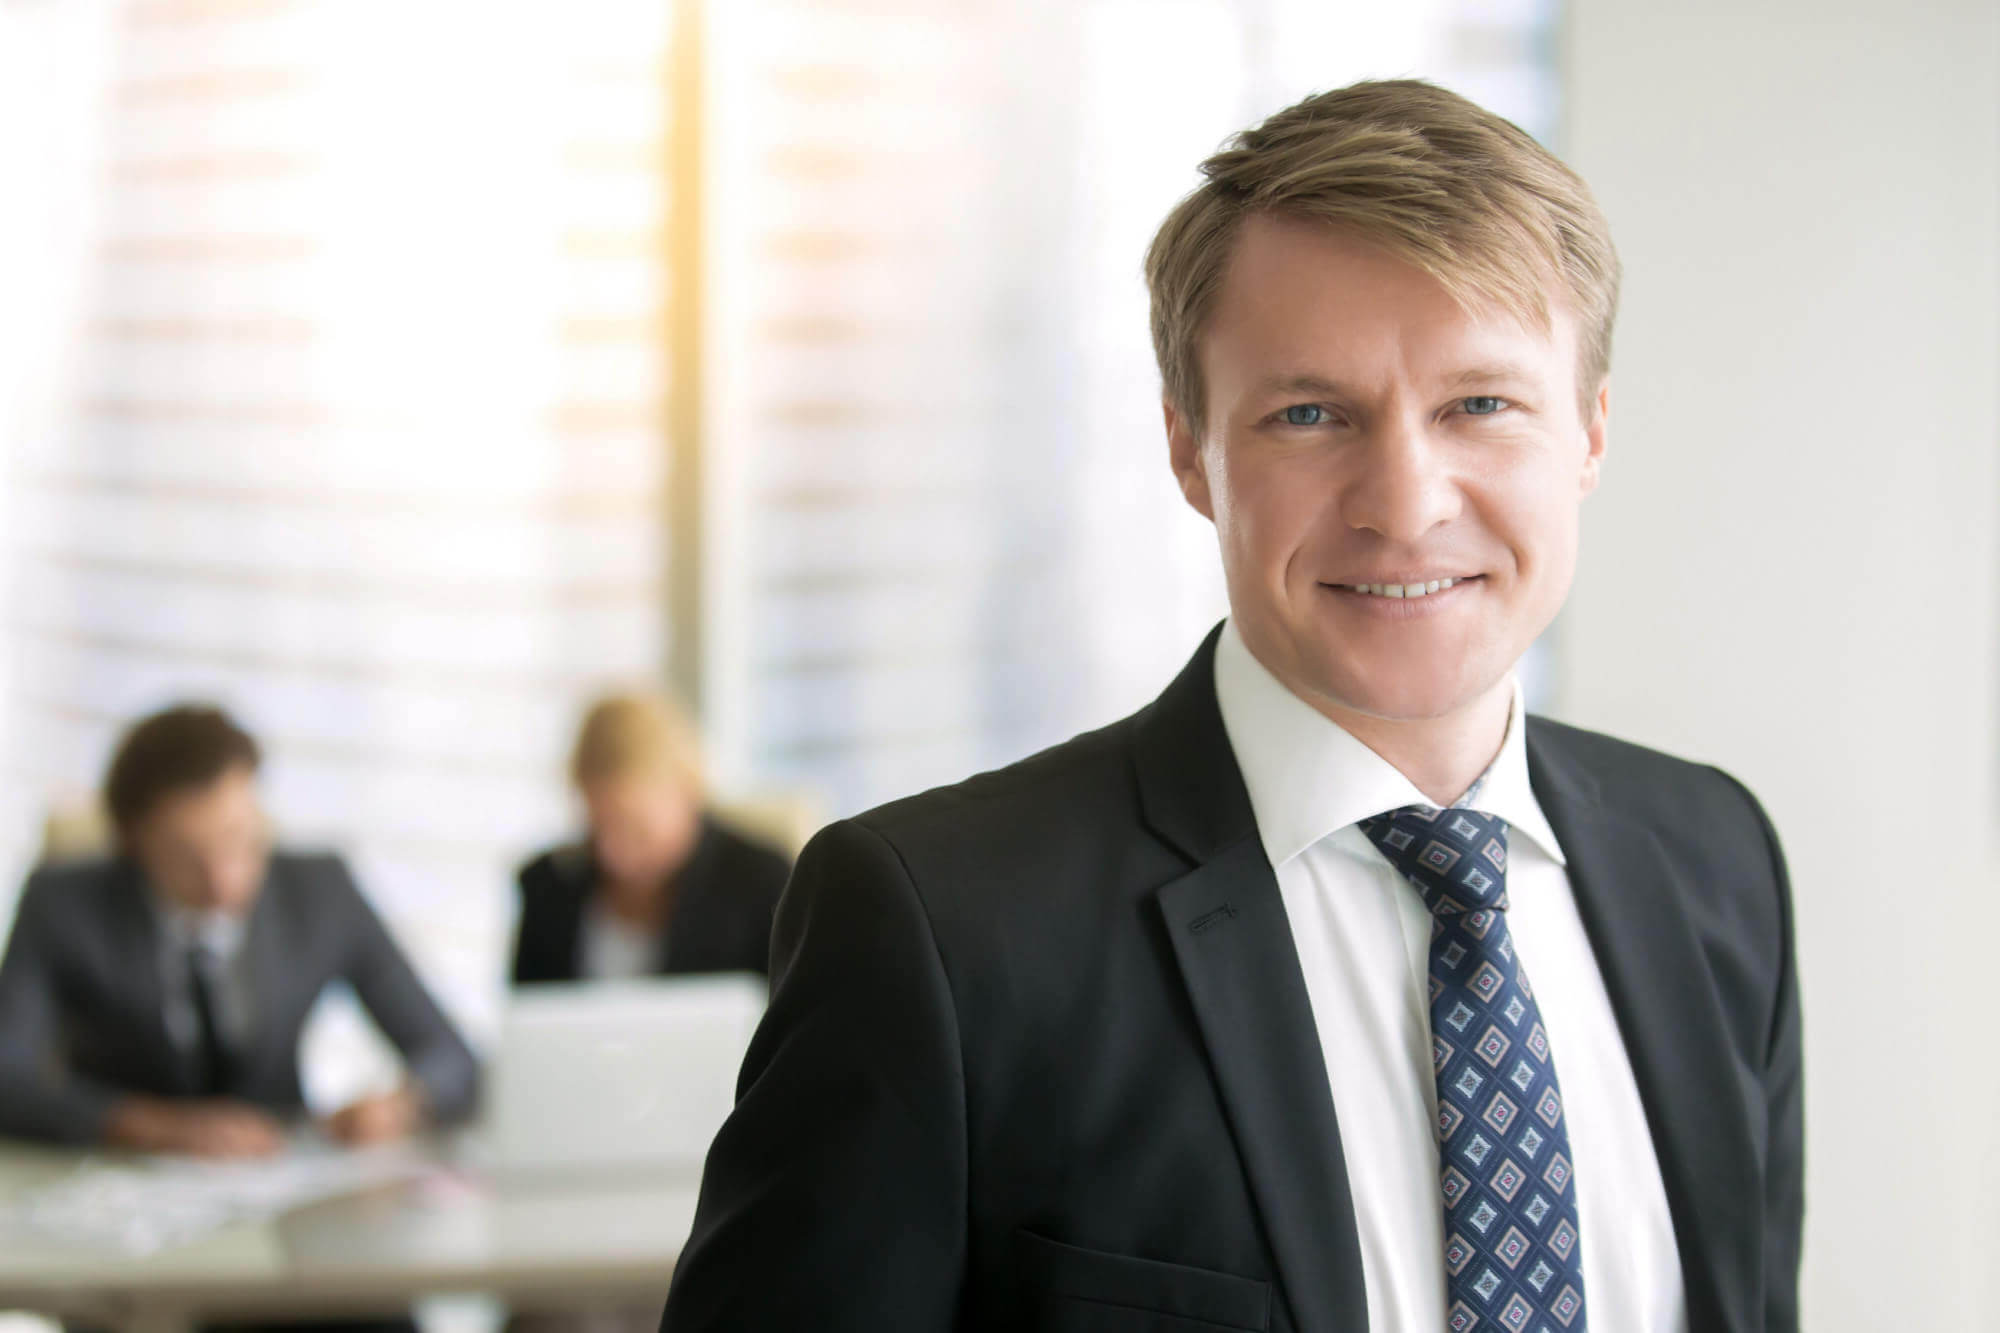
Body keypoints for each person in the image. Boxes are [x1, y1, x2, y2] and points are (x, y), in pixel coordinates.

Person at [660, 79, 1801, 1333]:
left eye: (1479, 403)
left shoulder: (1712, 862)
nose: (1404, 501)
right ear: (1188, 448)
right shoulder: (942, 931)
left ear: (1586, 430)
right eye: (1309, 414)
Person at [0, 703, 479, 1157]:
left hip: (280, 1172)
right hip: (115, 1180)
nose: (221, 881)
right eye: (187, 855)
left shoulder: (321, 892)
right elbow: (7, 1077)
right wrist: (154, 1126)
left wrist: (400, 1106)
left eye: (236, 839)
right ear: (131, 842)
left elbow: (453, 1060)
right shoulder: (61, 904)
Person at [512, 691, 789, 986]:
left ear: (688, 793)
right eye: (598, 828)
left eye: (637, 830)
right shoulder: (548, 886)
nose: (613, 853)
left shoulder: (761, 884)